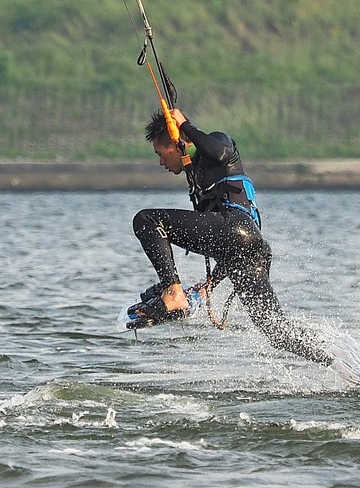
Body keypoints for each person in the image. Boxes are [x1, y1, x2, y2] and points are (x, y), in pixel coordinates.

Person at [130, 108, 336, 366]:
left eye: (160, 154)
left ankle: (173, 293)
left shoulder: (217, 144)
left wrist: (185, 126)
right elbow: (230, 246)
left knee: (146, 220)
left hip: (235, 230)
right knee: (276, 332)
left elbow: (219, 152)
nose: (161, 162)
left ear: (175, 142)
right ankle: (339, 358)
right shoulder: (197, 171)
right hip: (248, 248)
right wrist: (209, 285)